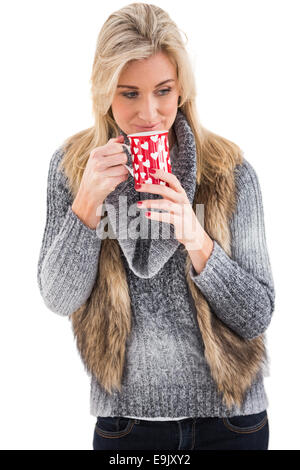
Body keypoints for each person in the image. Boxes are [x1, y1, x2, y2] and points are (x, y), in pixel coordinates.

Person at [37, 3, 275, 451]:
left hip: (231, 424)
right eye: (129, 94)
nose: (149, 113)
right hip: (126, 426)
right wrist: (86, 203)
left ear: (182, 88)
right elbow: (58, 297)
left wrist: (198, 240)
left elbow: (258, 314)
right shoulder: (71, 169)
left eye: (163, 91)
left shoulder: (228, 170)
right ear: (104, 91)